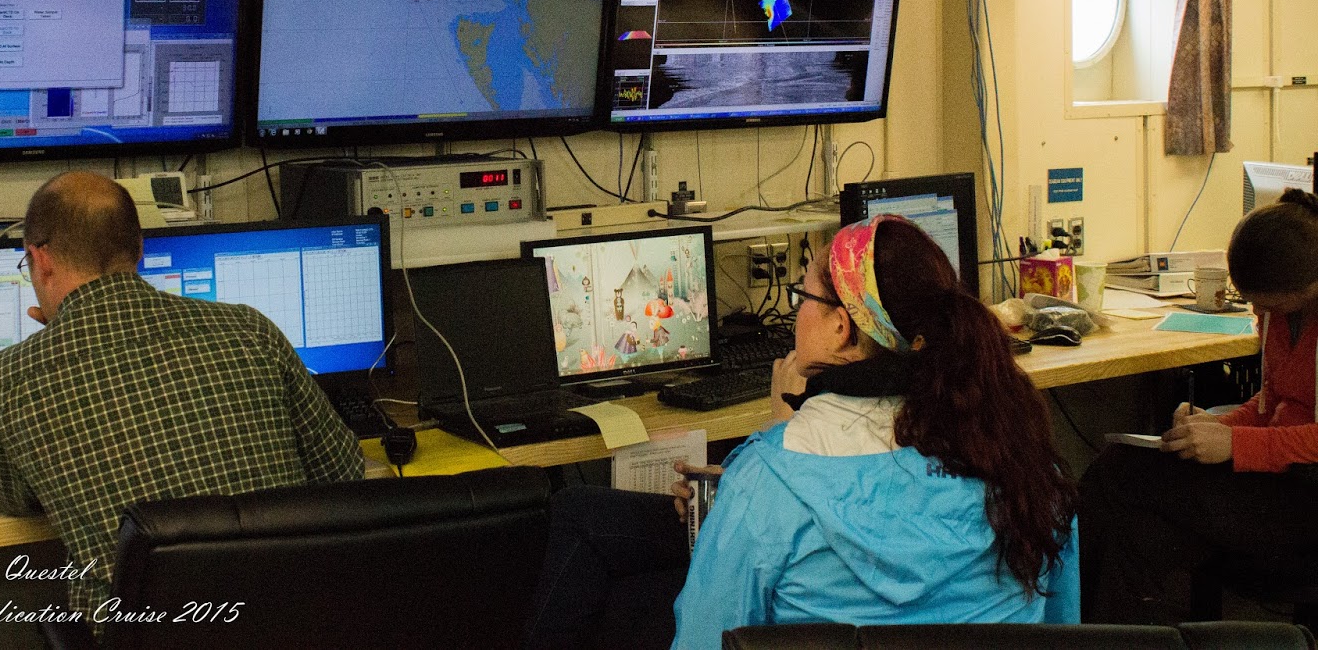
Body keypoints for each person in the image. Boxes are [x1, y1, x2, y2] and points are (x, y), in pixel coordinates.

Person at [524, 216, 1079, 650]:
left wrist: (766, 458)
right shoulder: (1032, 469)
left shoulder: (768, 481)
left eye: (803, 299)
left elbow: (706, 637)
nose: (795, 314)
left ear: (841, 328)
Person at [0, 171, 363, 627]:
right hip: (294, 624)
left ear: (40, 260)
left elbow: (12, 496)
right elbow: (342, 469)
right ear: (139, 249)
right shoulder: (249, 330)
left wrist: (49, 352)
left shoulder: (11, 377)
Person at [1079, 187, 1318, 624]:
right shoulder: (1283, 315)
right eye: (1254, 304)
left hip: (1308, 494)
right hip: (1282, 474)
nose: (1260, 314)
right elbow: (1273, 404)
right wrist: (1217, 422)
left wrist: (1236, 444)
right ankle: (1108, 637)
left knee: (1119, 472)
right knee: (1133, 535)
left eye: (1271, 304)